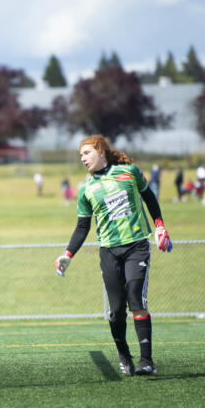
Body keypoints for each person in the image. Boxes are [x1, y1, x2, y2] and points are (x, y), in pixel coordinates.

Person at [54, 135, 172, 377]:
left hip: (136, 246)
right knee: (116, 310)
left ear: (101, 151)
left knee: (137, 300)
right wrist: (67, 254)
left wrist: (159, 225)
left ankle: (147, 361)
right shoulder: (86, 189)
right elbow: (82, 227)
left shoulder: (130, 172)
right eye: (80, 155)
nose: (82, 158)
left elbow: (149, 197)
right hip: (108, 251)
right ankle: (123, 354)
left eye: (86, 153)